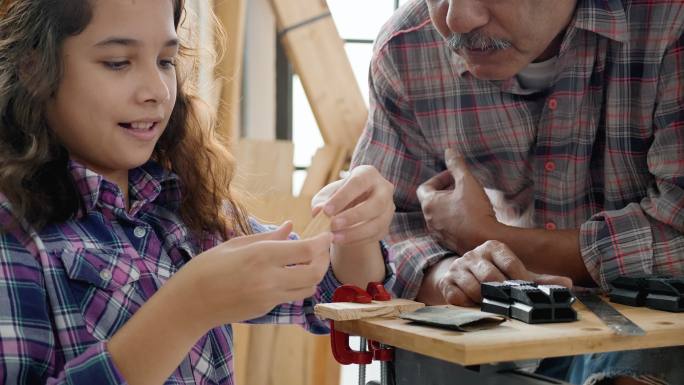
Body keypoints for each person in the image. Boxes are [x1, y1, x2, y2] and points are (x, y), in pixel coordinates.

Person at [0, 0, 395, 384]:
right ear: (35, 68)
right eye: (118, 62)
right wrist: (189, 307)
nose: (156, 90)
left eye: (165, 61)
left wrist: (356, 228)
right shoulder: (13, 229)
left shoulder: (179, 205)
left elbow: (330, 296)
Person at [351, 0, 683, 384]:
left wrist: (491, 237)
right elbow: (387, 233)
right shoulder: (407, 47)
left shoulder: (670, 19)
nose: (457, 18)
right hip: (514, 345)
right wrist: (455, 275)